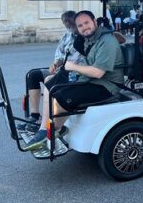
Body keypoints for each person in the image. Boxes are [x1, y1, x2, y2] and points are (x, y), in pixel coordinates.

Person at [25, 10, 125, 150]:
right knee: (50, 83)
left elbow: (98, 72)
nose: (84, 27)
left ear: (94, 22)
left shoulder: (107, 40)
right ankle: (44, 128)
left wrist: (74, 67)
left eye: (86, 23)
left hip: (106, 85)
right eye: (80, 25)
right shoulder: (88, 38)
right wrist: (64, 66)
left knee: (60, 96)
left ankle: (54, 130)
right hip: (89, 79)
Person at [17, 11, 79, 132]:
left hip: (71, 72)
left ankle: (48, 125)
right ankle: (35, 116)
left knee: (49, 82)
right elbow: (60, 53)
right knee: (33, 75)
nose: (67, 24)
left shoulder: (83, 36)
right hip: (61, 68)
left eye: (69, 21)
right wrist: (55, 63)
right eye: (64, 21)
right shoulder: (67, 35)